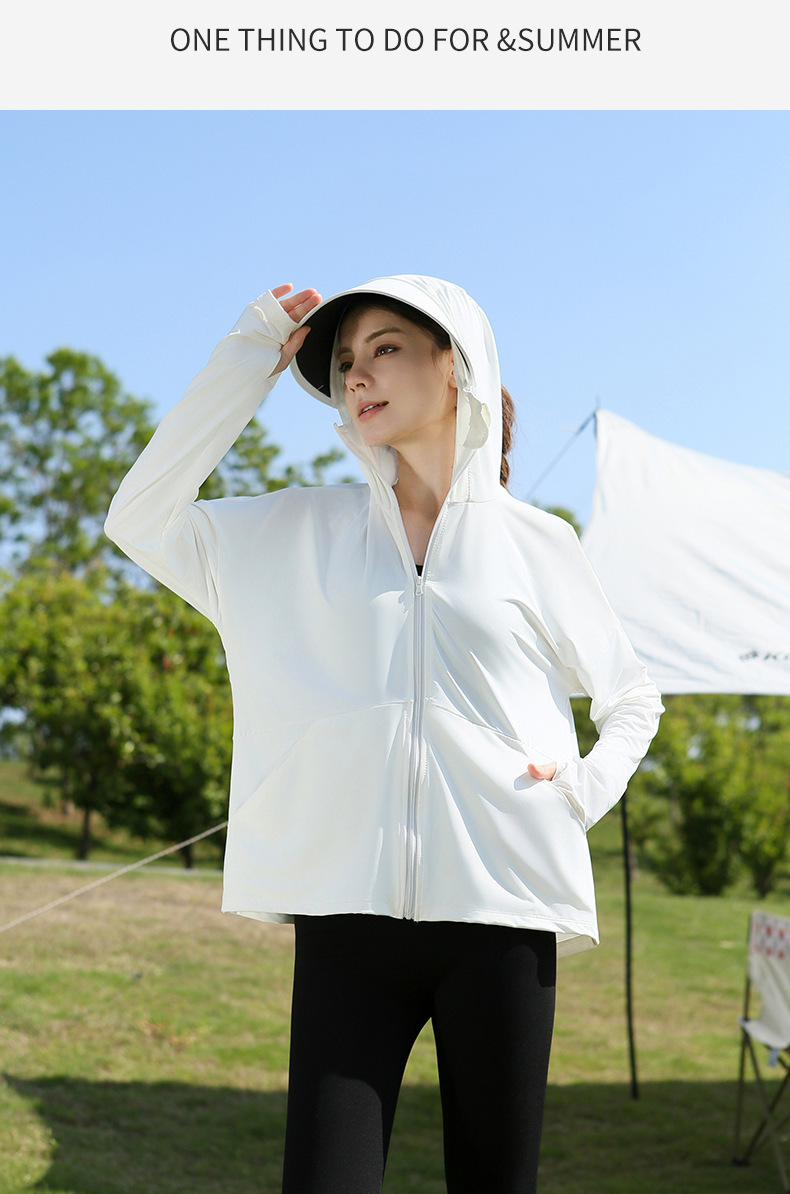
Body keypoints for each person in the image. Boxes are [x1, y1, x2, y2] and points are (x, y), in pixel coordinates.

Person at [105, 275, 663, 1193]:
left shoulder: (539, 543)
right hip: (346, 919)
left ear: (455, 365)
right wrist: (250, 358)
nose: (357, 374)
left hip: (504, 915)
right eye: (344, 361)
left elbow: (632, 697)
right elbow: (140, 519)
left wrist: (579, 793)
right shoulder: (294, 532)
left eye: (386, 348)